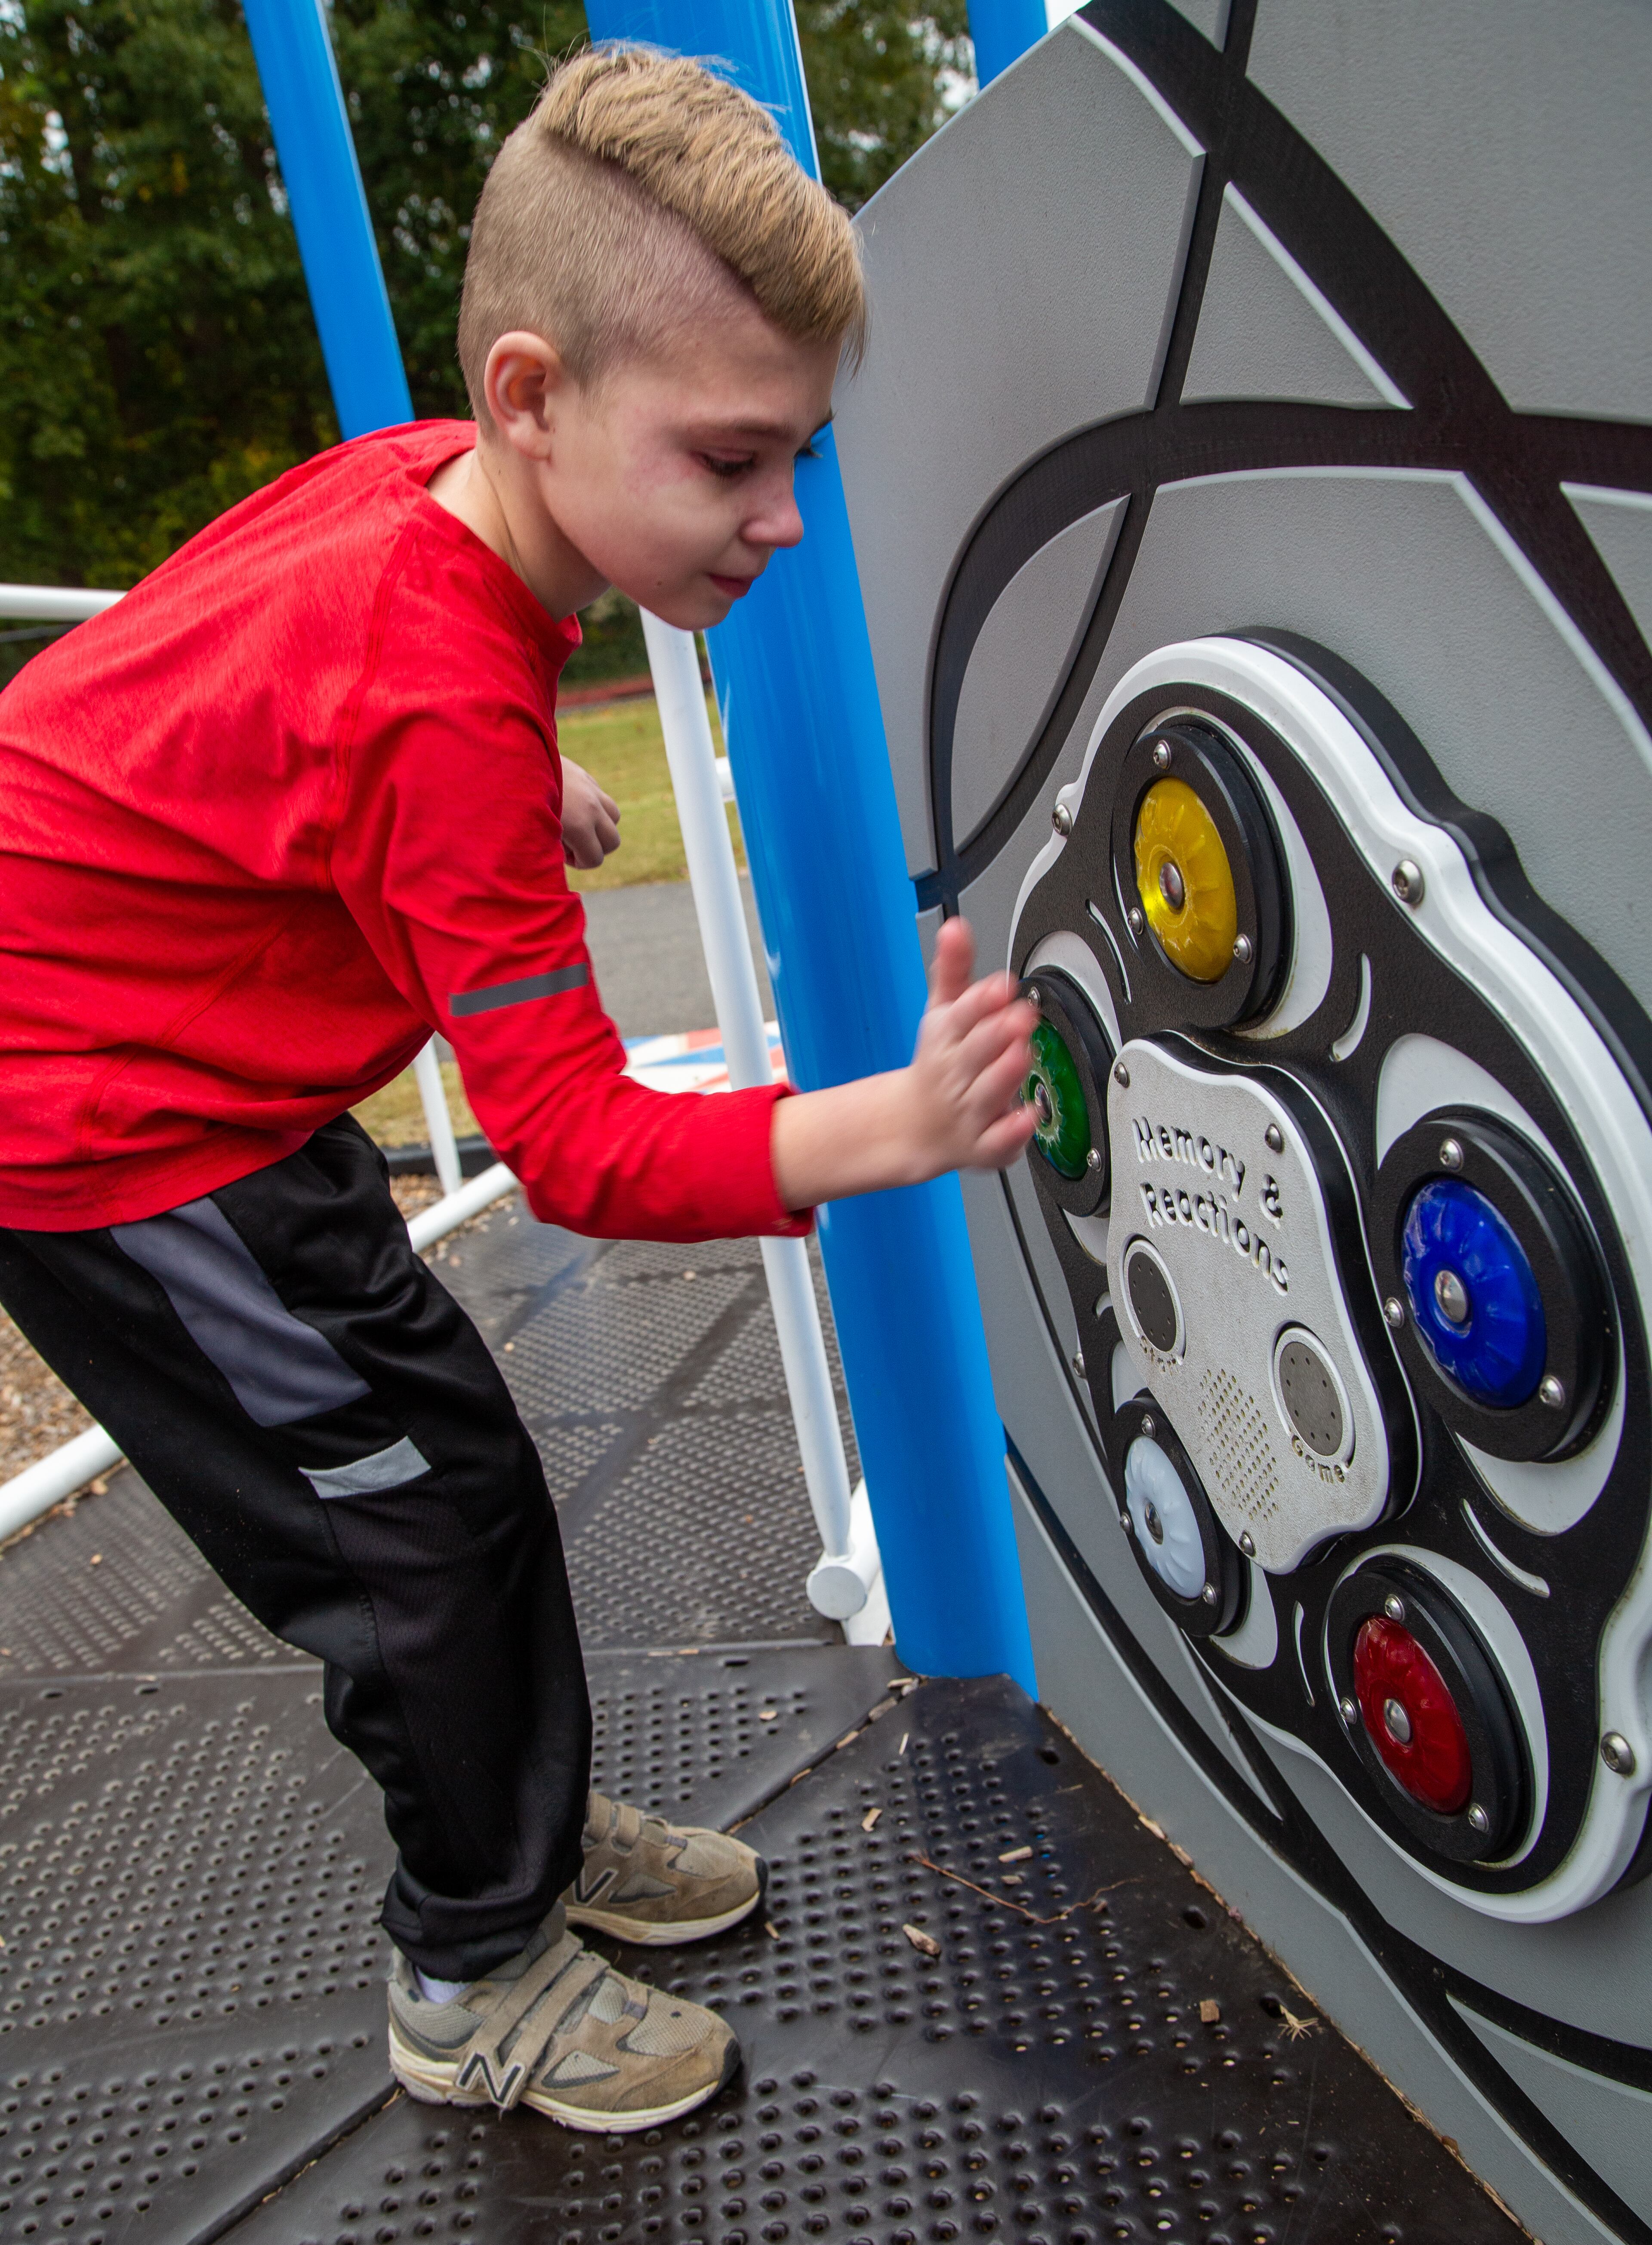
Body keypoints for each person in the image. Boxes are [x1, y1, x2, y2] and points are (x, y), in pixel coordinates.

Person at [0, 45, 1035, 2133]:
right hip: (92, 1117)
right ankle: (471, 1972)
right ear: (535, 395)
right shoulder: (429, 689)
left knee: (445, 1469)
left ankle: (527, 1839)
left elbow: (247, 674)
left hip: (166, 1047)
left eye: (801, 460)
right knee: (406, 1532)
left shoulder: (430, 496)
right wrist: (890, 1131)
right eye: (735, 458)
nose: (780, 518)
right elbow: (572, 1152)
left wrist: (520, 763)